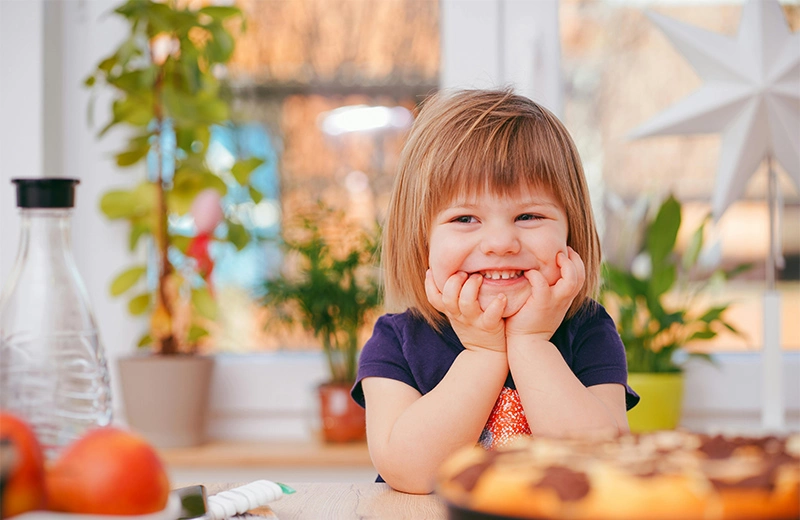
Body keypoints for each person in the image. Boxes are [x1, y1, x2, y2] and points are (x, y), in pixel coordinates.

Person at [350, 88, 639, 495]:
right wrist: (484, 353)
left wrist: (532, 344)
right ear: (421, 241)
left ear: (571, 232)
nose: (500, 242)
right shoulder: (396, 341)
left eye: (529, 215)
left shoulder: (588, 330)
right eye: (465, 218)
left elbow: (601, 466)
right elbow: (410, 473)